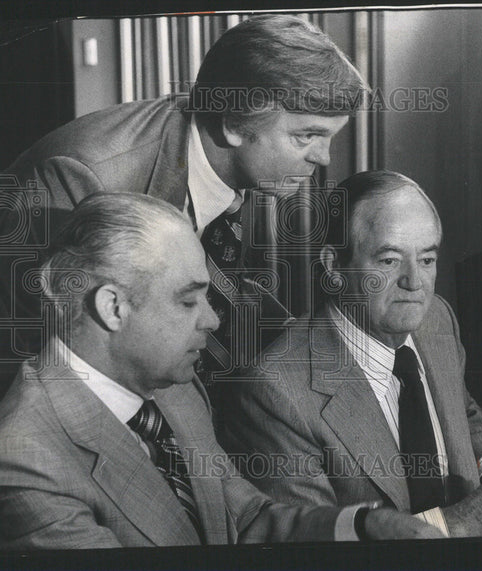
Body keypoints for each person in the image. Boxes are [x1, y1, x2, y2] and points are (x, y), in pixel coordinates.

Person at [0, 192, 447, 549]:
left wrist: (367, 525)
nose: (212, 321)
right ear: (112, 307)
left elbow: (247, 520)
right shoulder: (26, 463)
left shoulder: (175, 390)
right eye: (188, 300)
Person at [0, 14, 368, 392]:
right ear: (233, 124)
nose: (323, 157)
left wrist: (308, 341)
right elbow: (50, 363)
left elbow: (223, 287)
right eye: (307, 136)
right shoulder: (86, 180)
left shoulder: (244, 163)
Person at [219, 170, 482, 537]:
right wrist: (463, 521)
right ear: (334, 267)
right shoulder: (276, 390)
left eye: (426, 260)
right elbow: (311, 547)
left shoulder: (436, 319)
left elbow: (466, 413)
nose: (414, 283)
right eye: (390, 261)